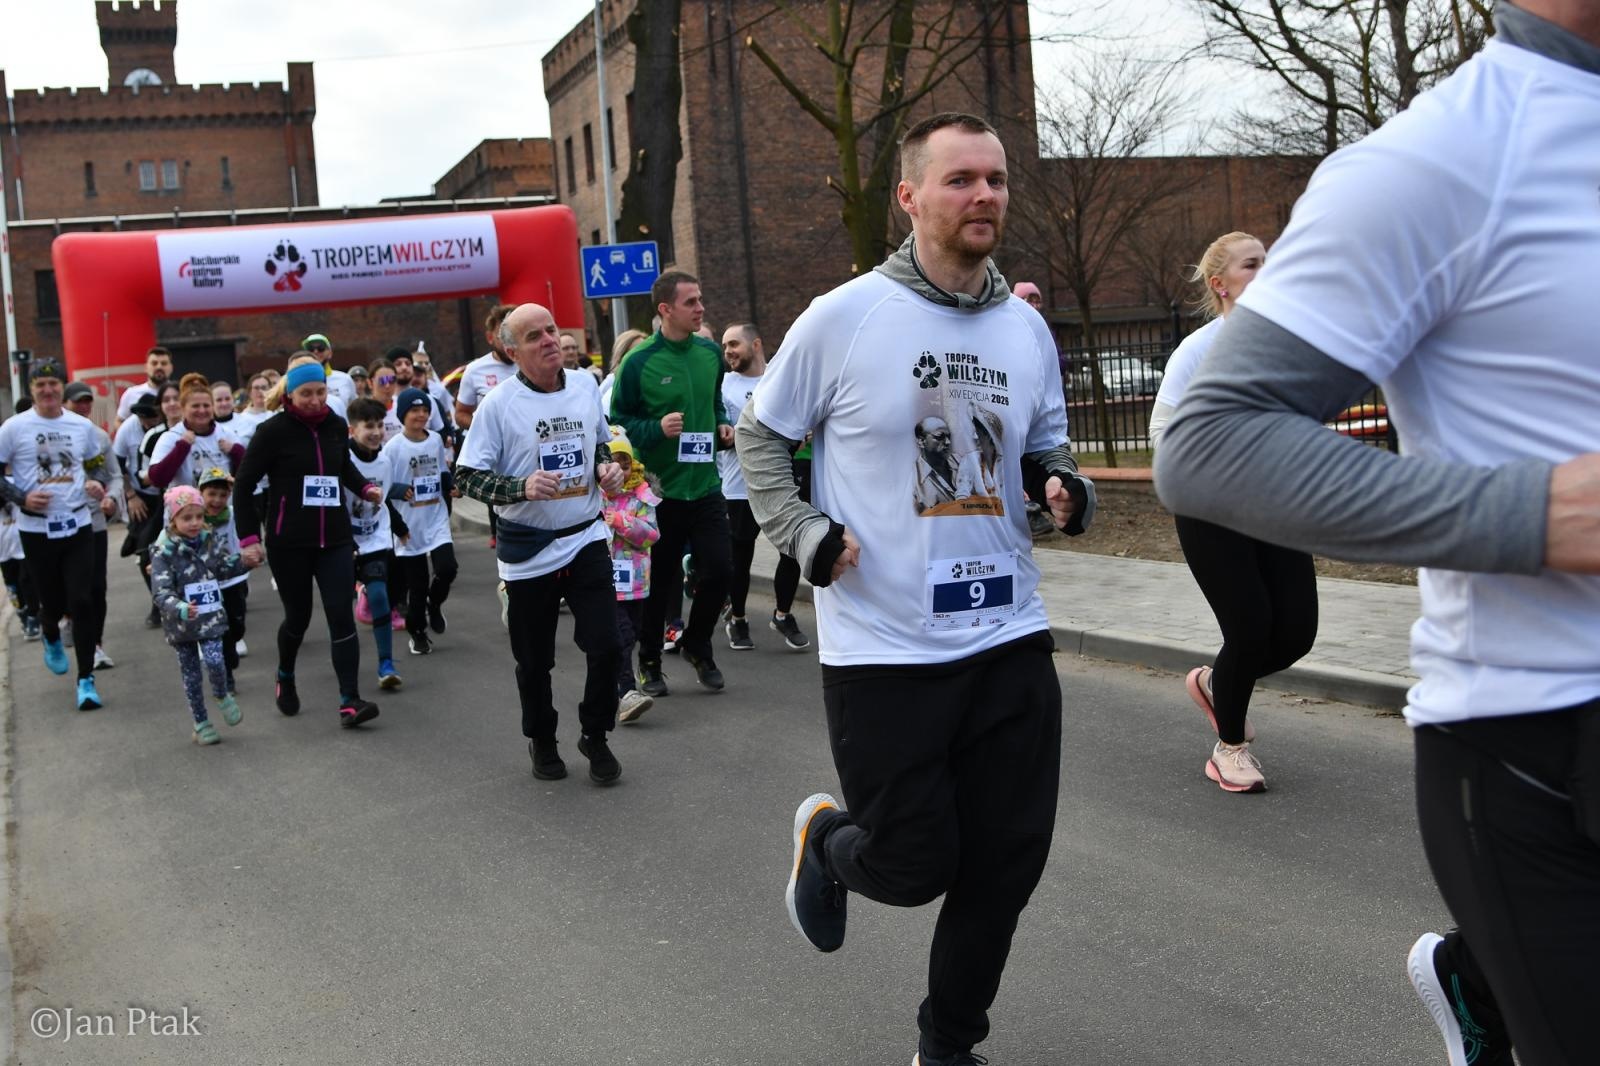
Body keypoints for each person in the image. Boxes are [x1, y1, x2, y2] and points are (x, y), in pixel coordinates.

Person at [1154, 5, 1599, 1063]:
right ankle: (1229, 719)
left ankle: (1483, 977)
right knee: (1267, 628)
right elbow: (1206, 443)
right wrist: (1535, 514)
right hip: (1548, 736)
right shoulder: (1440, 156)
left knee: (1286, 627)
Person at [736, 112, 1095, 1066]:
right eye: (960, 179)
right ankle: (828, 845)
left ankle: (947, 1046)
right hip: (886, 648)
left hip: (1009, 631)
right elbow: (762, 438)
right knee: (912, 864)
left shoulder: (1024, 330)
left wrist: (1065, 489)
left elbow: (1045, 450)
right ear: (910, 196)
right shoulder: (846, 317)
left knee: (1007, 863)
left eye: (996, 179)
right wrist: (806, 533)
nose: (984, 196)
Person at [1145, 232, 1312, 794]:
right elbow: (1163, 434)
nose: (1266, 269)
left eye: (1270, 261)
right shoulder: (1198, 351)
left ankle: (1220, 682)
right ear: (1221, 284)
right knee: (1249, 625)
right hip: (1211, 509)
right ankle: (1229, 749)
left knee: (1296, 634)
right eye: (1252, 264)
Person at [455, 302, 625, 784]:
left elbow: (597, 442)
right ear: (512, 350)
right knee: (534, 662)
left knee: (607, 644)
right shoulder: (498, 405)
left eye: (552, 329)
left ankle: (595, 733)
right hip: (528, 550)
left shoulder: (586, 385)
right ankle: (543, 739)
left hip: (586, 536)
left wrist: (605, 467)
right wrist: (519, 487)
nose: (550, 340)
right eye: (535, 336)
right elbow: (465, 476)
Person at [233, 359, 385, 729]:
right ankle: (285, 673)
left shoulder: (335, 425)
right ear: (290, 394)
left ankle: (349, 699)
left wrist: (364, 487)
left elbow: (342, 466)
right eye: (306, 394)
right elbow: (243, 484)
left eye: (320, 392)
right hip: (290, 542)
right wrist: (250, 537)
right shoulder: (272, 432)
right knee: (298, 618)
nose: (315, 400)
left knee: (340, 613)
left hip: (333, 537)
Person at [609, 270, 735, 696]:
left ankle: (698, 644)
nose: (700, 308)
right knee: (660, 583)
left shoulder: (709, 353)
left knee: (721, 570)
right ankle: (648, 660)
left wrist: (721, 424)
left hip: (705, 486)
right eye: (691, 302)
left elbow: (716, 400)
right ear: (665, 310)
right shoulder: (639, 361)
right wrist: (654, 429)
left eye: (700, 300)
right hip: (659, 492)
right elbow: (618, 424)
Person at [0, 360, 116, 710]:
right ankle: (49, 632)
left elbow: (95, 467)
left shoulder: (80, 426)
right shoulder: (13, 428)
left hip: (78, 525)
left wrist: (98, 485)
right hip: (36, 529)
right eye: (41, 385)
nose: (48, 391)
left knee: (82, 600)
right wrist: (23, 498)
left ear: (61, 387)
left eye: (53, 384)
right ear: (31, 389)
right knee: (51, 604)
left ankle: (85, 680)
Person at [717, 323, 808, 652]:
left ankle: (783, 614)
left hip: (781, 484)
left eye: (734, 344)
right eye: (725, 345)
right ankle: (738, 619)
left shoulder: (779, 376)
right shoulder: (724, 386)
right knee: (741, 559)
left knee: (791, 549)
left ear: (756, 344)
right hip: (739, 487)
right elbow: (718, 432)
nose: (728, 350)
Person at [150, 484, 256, 745]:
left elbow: (220, 567)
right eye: (187, 518)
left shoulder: (209, 540)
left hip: (210, 619)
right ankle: (201, 722)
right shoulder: (164, 552)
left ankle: (221, 693)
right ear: (173, 520)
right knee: (191, 676)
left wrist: (243, 560)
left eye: (199, 516)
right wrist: (181, 608)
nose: (195, 523)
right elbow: (161, 593)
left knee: (215, 660)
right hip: (182, 625)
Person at [381, 388, 457, 655]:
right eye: (415, 410)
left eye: (425, 410)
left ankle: (434, 604)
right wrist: (399, 489)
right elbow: (378, 486)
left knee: (447, 569)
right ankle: (417, 632)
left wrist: (451, 485)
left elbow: (441, 470)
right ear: (403, 414)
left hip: (435, 517)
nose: (421, 415)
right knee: (417, 585)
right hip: (408, 525)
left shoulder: (435, 440)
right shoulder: (392, 448)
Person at [345, 397, 406, 690]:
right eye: (368, 426)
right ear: (351, 429)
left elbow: (384, 503)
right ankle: (345, 662)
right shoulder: (342, 460)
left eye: (380, 425)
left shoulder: (385, 461)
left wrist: (400, 527)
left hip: (375, 538)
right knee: (340, 608)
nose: (376, 432)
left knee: (381, 595)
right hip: (343, 540)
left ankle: (386, 663)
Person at [601, 435, 658, 725]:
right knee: (621, 636)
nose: (619, 471)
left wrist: (623, 522)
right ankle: (627, 693)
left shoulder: (642, 495)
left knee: (630, 635)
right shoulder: (595, 496)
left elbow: (651, 535)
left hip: (636, 583)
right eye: (612, 464)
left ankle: (610, 683)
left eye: (624, 464)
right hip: (605, 584)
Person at [64, 382, 120, 672]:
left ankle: (95, 646)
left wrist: (110, 498)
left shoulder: (99, 437)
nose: (84, 407)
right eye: (77, 402)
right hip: (61, 524)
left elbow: (115, 476)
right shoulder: (55, 438)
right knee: (73, 590)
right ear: (64, 404)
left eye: (87, 401)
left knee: (96, 588)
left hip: (94, 522)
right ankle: (65, 617)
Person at [148, 374, 245, 495]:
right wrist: (182, 447)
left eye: (206, 405)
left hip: (222, 510)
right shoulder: (172, 436)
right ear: (183, 408)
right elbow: (157, 479)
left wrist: (236, 451)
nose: (202, 410)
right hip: (186, 510)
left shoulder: (226, 434)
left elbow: (247, 473)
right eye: (195, 406)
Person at [197, 467, 249, 687]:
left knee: (236, 626)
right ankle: (225, 674)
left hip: (233, 579)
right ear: (201, 493)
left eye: (222, 494)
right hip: (205, 584)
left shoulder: (235, 513)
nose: (217, 500)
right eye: (211, 494)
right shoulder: (193, 517)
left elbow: (248, 509)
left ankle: (232, 647)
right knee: (217, 630)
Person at [115, 345, 173, 425]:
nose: (159, 367)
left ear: (171, 367)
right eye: (154, 363)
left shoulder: (179, 393)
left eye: (164, 363)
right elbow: (119, 421)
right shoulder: (131, 393)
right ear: (146, 367)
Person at [301, 333, 358, 411]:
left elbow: (355, 409)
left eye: (321, 348)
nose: (315, 352)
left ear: (330, 353)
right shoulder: (298, 381)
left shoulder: (345, 379)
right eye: (311, 349)